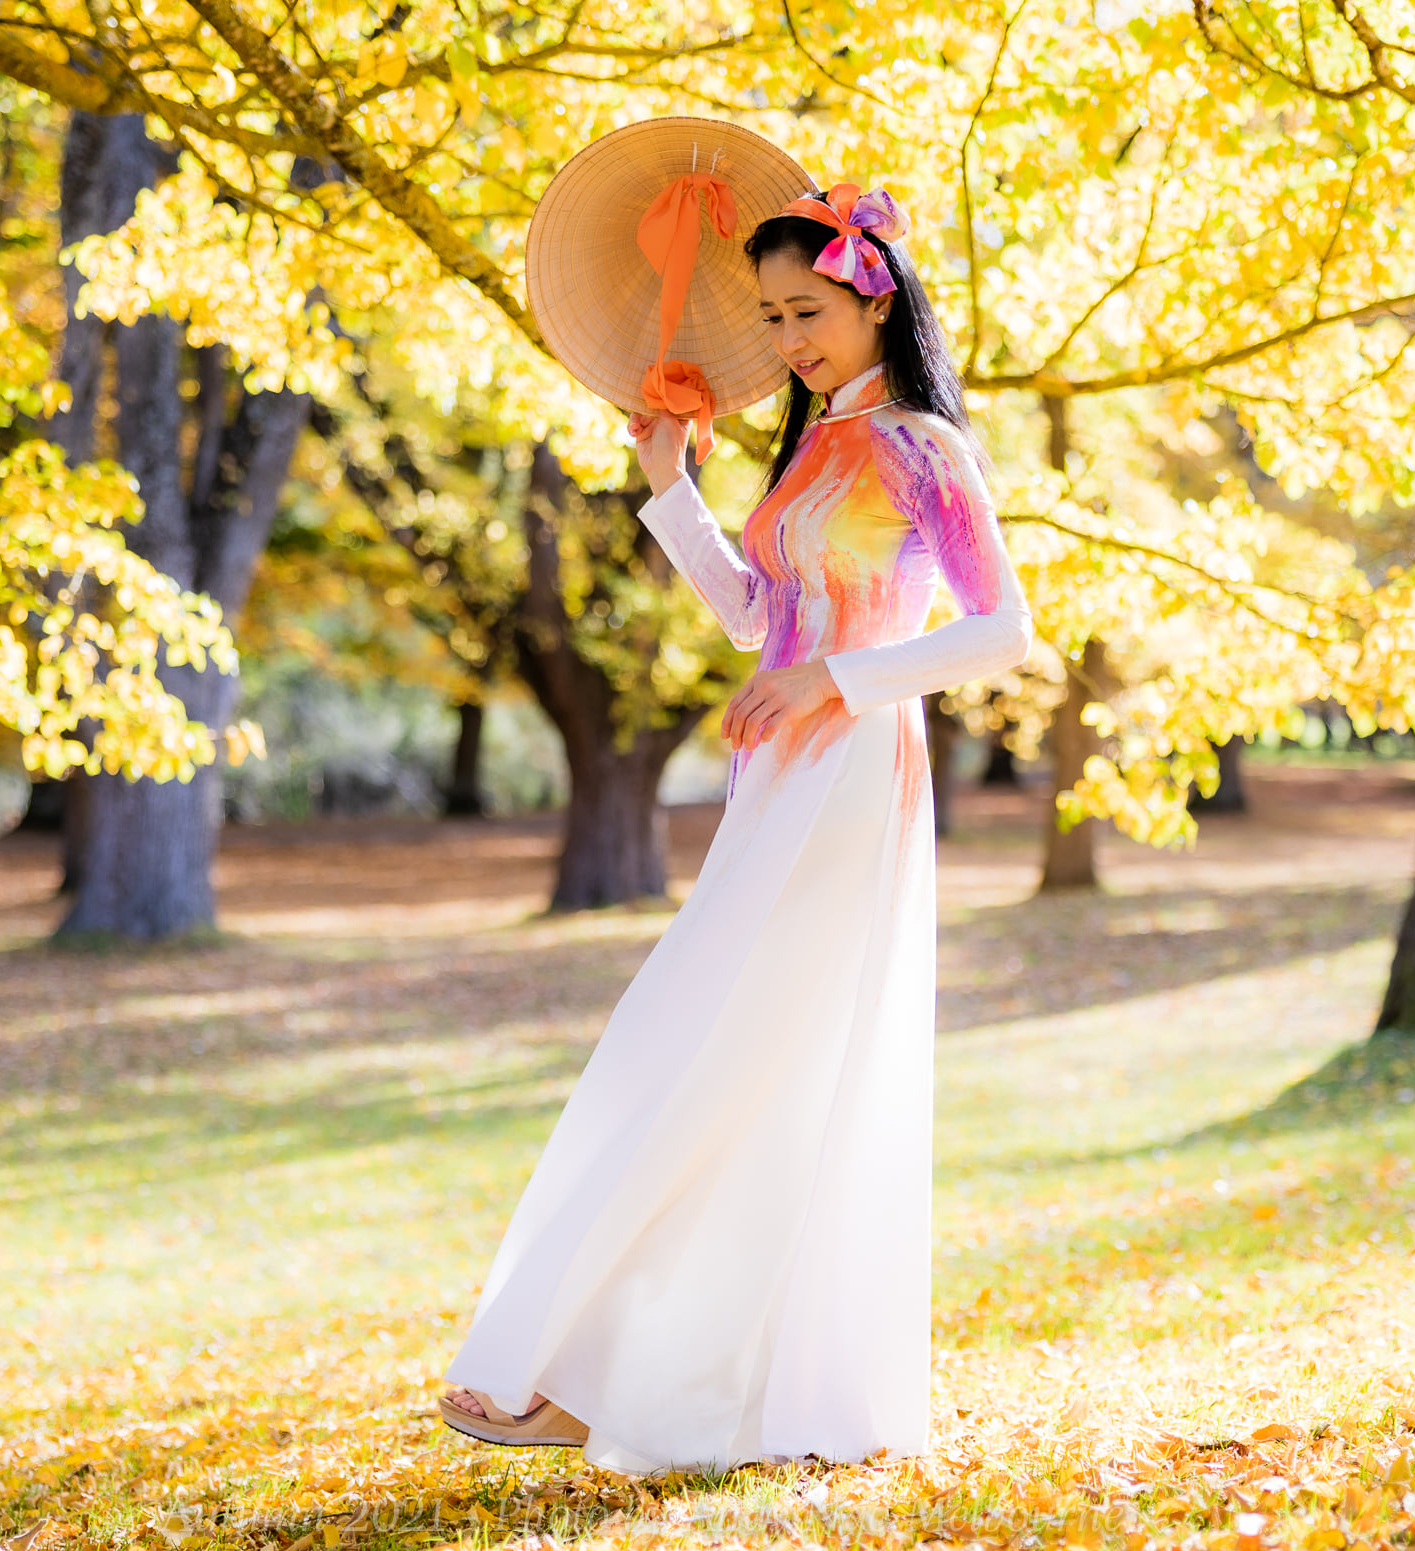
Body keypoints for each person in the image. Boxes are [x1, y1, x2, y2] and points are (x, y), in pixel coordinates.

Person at [436, 182, 1034, 1476]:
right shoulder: (815, 447)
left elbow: (1003, 631)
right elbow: (761, 618)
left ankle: (606, 1380)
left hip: (852, 773)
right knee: (706, 1045)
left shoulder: (924, 447)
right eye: (771, 316)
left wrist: (837, 682)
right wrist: (672, 488)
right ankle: (638, 1376)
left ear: (876, 298)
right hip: (779, 779)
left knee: (735, 1056)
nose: (789, 338)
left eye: (807, 309)